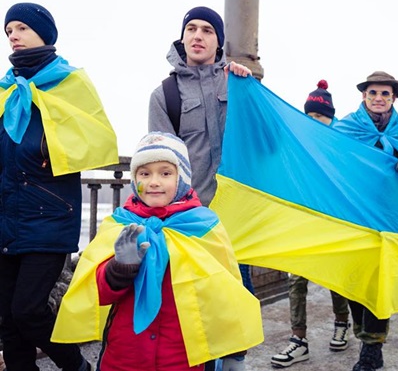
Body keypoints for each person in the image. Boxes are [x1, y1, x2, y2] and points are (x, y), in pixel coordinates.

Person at [52, 132, 264, 371]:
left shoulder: (204, 227)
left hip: (183, 358)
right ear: (134, 180)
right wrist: (119, 269)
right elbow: (96, 294)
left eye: (165, 173)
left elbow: (228, 294)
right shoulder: (120, 224)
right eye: (144, 173)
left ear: (181, 178)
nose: (154, 181)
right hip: (124, 357)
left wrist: (235, 354)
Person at [0, 2, 119, 371]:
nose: (13, 36)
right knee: (8, 324)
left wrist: (46, 143)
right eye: (8, 31)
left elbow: (96, 140)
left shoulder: (70, 84)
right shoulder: (6, 90)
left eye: (20, 27)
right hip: (6, 217)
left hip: (49, 217)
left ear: (43, 33)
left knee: (30, 312)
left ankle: (79, 367)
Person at [333, 71, 398, 371]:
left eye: (385, 94)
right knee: (352, 281)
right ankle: (364, 335)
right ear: (363, 96)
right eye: (373, 93)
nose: (378, 99)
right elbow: (327, 156)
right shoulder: (347, 126)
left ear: (393, 99)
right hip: (353, 215)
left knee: (379, 282)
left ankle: (371, 348)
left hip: (390, 220)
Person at [271, 80, 351, 368]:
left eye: (321, 116)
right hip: (302, 220)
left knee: (335, 278)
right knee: (296, 280)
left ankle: (342, 322)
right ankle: (298, 339)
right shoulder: (297, 142)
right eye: (311, 115)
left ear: (331, 116)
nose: (315, 121)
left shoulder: (343, 142)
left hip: (333, 222)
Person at [148, 5, 252, 207]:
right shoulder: (163, 96)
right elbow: (160, 165)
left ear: (219, 42)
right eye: (191, 28)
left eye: (207, 30)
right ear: (182, 37)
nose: (197, 36)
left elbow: (268, 144)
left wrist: (249, 88)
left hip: (242, 210)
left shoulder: (237, 85)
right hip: (191, 214)